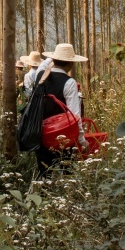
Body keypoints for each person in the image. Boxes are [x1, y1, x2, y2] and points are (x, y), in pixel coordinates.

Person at [35, 43, 89, 177]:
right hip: (62, 136)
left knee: (44, 173)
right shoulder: (69, 82)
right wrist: (82, 140)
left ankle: (42, 195)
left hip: (40, 133)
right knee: (66, 172)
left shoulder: (40, 76)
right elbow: (74, 116)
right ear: (70, 64)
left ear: (53, 60)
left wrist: (52, 58)